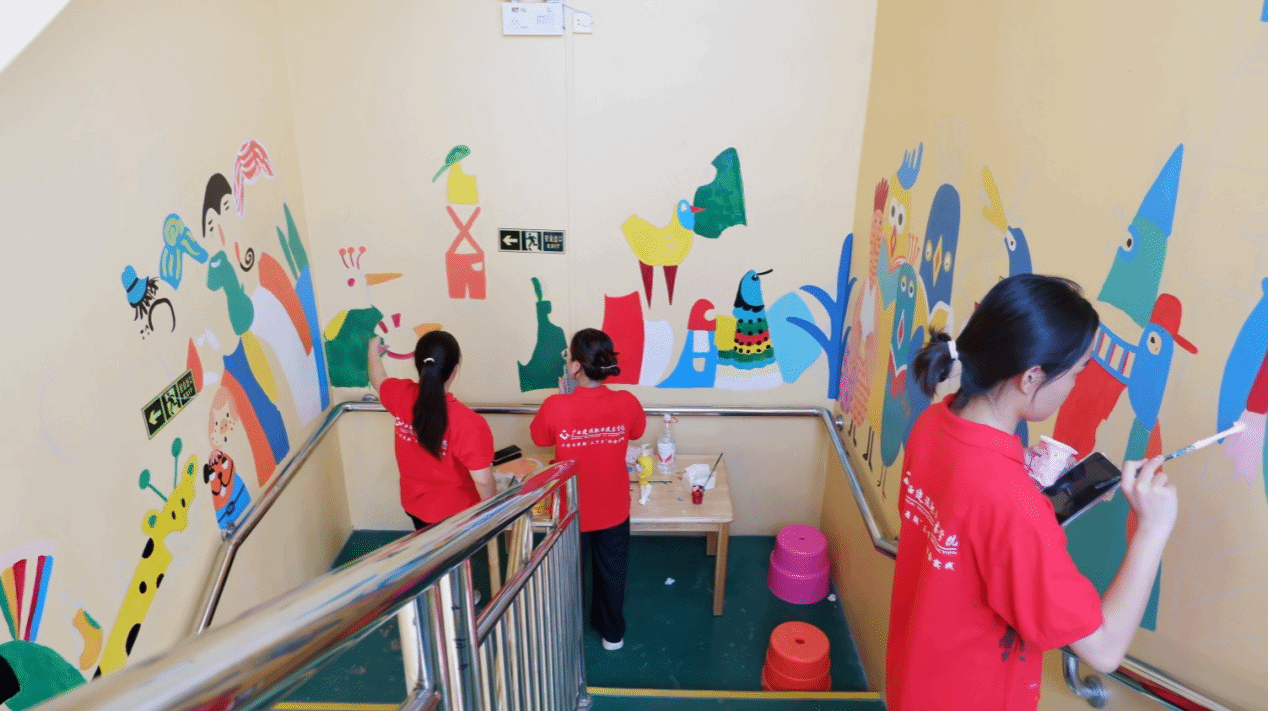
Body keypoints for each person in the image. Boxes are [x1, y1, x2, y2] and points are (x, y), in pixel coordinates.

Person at [885, 274, 1179, 710]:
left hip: (913, 684)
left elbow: (961, 526)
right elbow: (1103, 650)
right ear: (1031, 377)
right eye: (1077, 372)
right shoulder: (1013, 505)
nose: (1074, 386)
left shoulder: (933, 424)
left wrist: (1021, 481)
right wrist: (1152, 529)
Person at [530, 328, 646, 651]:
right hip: (613, 507)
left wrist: (565, 402)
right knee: (612, 573)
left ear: (576, 366)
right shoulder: (627, 401)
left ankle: (568, 634)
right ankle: (612, 635)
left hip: (571, 508)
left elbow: (540, 438)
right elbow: (637, 431)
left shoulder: (555, 405)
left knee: (569, 574)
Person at [367, 331, 495, 531]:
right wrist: (493, 511)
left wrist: (372, 349)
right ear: (455, 370)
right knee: (456, 550)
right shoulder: (469, 423)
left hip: (415, 506)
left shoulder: (401, 396)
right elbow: (483, 480)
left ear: (419, 366)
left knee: (428, 545)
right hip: (458, 515)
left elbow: (378, 379)